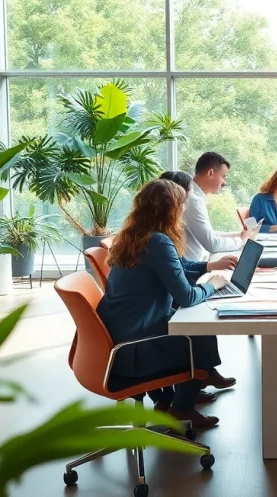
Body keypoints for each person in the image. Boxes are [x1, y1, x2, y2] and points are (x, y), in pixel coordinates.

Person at [97, 180, 237, 430]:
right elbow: (186, 296)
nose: (183, 210)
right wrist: (213, 285)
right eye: (181, 205)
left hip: (118, 341)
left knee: (195, 328)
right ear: (170, 209)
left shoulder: (134, 236)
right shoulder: (158, 242)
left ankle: (167, 399)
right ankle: (181, 407)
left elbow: (178, 266)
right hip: (134, 350)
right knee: (202, 336)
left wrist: (208, 268)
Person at [160, 170, 239, 273]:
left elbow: (181, 265)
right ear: (174, 201)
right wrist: (213, 285)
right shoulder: (160, 240)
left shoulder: (165, 229)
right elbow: (184, 287)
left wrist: (213, 265)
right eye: (185, 200)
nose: (184, 208)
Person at [183, 152, 257, 262]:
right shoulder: (193, 200)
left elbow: (209, 234)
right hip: (194, 269)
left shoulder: (195, 197)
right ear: (211, 173)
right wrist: (241, 240)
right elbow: (212, 244)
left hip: (199, 263)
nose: (224, 182)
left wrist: (239, 235)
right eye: (223, 176)